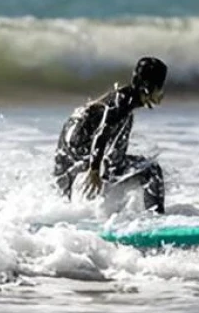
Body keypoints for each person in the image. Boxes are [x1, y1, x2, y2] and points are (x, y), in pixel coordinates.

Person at [54, 56, 168, 214]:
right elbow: (102, 133)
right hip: (80, 142)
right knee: (152, 171)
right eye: (161, 87)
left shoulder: (122, 97)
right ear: (149, 86)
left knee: (63, 195)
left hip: (69, 138)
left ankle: (76, 217)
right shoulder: (123, 103)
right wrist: (94, 171)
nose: (162, 93)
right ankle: (157, 219)